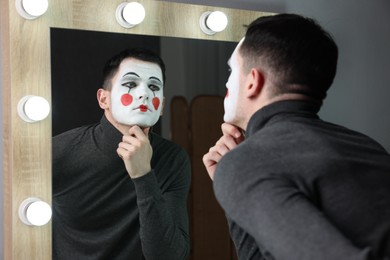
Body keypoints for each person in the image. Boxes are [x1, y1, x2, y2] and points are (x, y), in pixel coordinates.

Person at [203, 13, 390, 260]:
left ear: (252, 82)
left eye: (232, 69)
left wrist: (237, 171)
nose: (227, 82)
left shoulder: (253, 162)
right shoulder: (367, 146)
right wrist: (237, 192)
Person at [52, 48, 191, 260]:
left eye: (154, 86)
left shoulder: (173, 159)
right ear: (103, 99)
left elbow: (169, 256)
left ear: (161, 105)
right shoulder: (60, 151)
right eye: (130, 84)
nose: (144, 93)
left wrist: (144, 175)